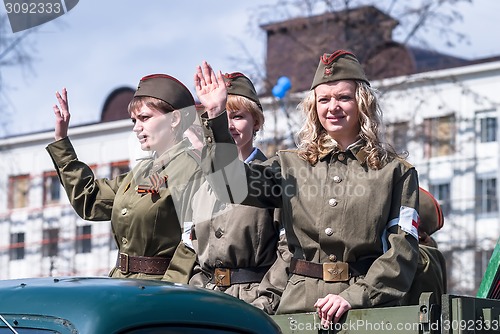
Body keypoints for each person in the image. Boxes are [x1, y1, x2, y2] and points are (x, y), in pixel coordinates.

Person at [194, 50, 419, 327]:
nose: (332, 107)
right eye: (324, 99)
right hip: (297, 309)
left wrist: (356, 296)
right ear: (314, 107)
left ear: (362, 103)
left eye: (343, 98)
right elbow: (229, 186)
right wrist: (216, 117)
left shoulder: (394, 171)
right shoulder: (290, 165)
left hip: (365, 311)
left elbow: (403, 250)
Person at [46, 74, 203, 283]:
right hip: (123, 285)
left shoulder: (193, 169)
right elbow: (90, 199)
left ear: (174, 119)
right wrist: (62, 141)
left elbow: (194, 241)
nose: (136, 127)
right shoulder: (140, 172)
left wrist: (169, 291)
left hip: (160, 291)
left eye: (145, 118)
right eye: (134, 120)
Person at [188, 72, 290, 315]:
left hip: (253, 301)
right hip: (206, 302)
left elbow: (289, 250)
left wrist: (263, 303)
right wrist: (195, 295)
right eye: (223, 119)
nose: (229, 126)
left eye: (237, 116)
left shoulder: (276, 175)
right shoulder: (200, 186)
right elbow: (191, 254)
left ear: (256, 122)